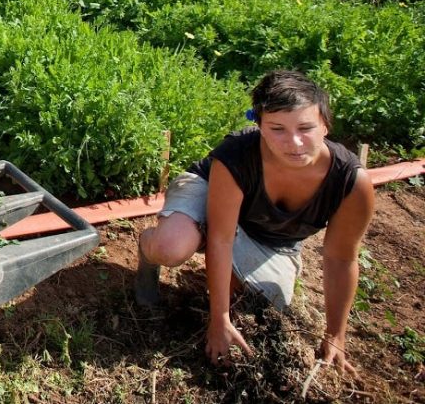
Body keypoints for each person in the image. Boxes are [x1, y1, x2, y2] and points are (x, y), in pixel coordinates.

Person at [134, 70, 375, 374]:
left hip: (267, 234)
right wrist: (218, 319)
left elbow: (340, 259)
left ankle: (230, 276)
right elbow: (221, 239)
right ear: (259, 125)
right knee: (171, 247)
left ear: (325, 125)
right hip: (210, 193)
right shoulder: (236, 157)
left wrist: (335, 335)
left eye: (306, 127)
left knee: (265, 305)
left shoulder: (350, 183)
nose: (294, 142)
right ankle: (150, 247)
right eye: (277, 129)